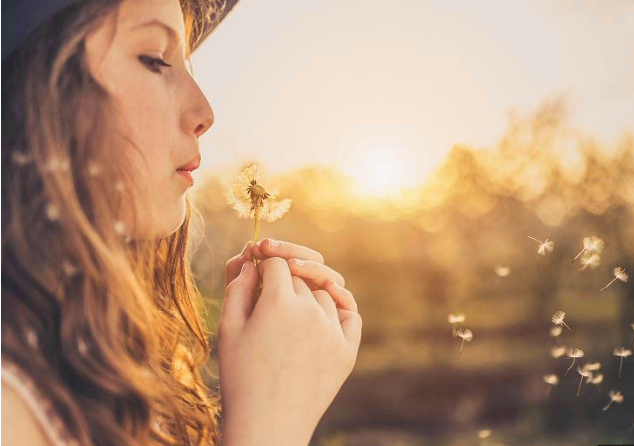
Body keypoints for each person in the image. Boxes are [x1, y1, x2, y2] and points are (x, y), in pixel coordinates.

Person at [0, 0, 363, 445]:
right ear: (36, 92)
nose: (204, 112)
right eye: (154, 59)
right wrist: (270, 420)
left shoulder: (112, 366)